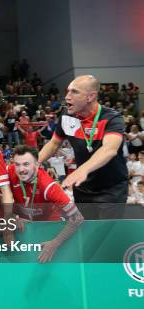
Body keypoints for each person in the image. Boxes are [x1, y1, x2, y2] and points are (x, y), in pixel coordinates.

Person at [38, 75, 128, 217]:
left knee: (104, 236)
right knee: (85, 231)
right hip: (82, 188)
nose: (67, 97)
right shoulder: (67, 116)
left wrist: (83, 170)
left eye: (74, 92)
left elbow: (109, 150)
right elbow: (54, 143)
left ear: (91, 96)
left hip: (111, 191)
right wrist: (35, 162)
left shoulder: (112, 118)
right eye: (67, 91)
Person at [8, 145, 84, 262]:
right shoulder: (10, 171)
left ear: (37, 165)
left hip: (49, 232)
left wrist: (55, 243)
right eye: (17, 164)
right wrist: (11, 216)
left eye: (26, 164)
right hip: (25, 230)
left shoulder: (48, 186)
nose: (21, 169)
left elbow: (78, 218)